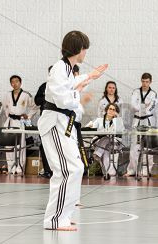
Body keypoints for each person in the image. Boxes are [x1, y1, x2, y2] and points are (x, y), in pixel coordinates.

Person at [38, 30, 107, 231]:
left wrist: (90, 77)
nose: (86, 52)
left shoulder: (68, 69)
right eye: (85, 48)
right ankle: (55, 219)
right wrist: (80, 98)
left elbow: (71, 84)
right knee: (65, 170)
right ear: (78, 49)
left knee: (76, 168)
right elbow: (62, 98)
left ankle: (64, 215)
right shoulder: (59, 68)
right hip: (55, 123)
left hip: (64, 125)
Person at [2, 75, 39, 174]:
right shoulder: (7, 94)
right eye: (12, 82)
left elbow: (35, 107)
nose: (15, 83)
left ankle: (19, 167)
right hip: (10, 122)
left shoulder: (26, 95)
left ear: (20, 82)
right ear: (11, 84)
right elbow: (5, 106)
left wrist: (28, 116)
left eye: (17, 81)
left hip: (20, 122)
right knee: (9, 146)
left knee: (21, 145)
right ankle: (10, 167)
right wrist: (8, 115)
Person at [125, 73, 157, 176]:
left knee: (148, 146)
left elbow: (152, 107)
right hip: (137, 121)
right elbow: (133, 106)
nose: (145, 83)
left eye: (147, 81)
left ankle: (146, 170)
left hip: (148, 121)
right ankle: (132, 170)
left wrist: (141, 108)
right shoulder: (135, 92)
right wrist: (144, 106)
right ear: (141, 81)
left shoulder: (153, 94)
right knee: (134, 146)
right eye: (143, 81)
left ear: (150, 82)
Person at [87, 103, 125, 179]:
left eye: (114, 110)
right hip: (101, 142)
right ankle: (106, 172)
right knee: (106, 140)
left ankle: (97, 154)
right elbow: (90, 128)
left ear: (116, 112)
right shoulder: (99, 120)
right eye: (110, 109)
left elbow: (122, 131)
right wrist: (90, 125)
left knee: (108, 138)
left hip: (114, 142)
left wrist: (117, 119)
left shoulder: (118, 121)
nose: (111, 111)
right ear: (106, 110)